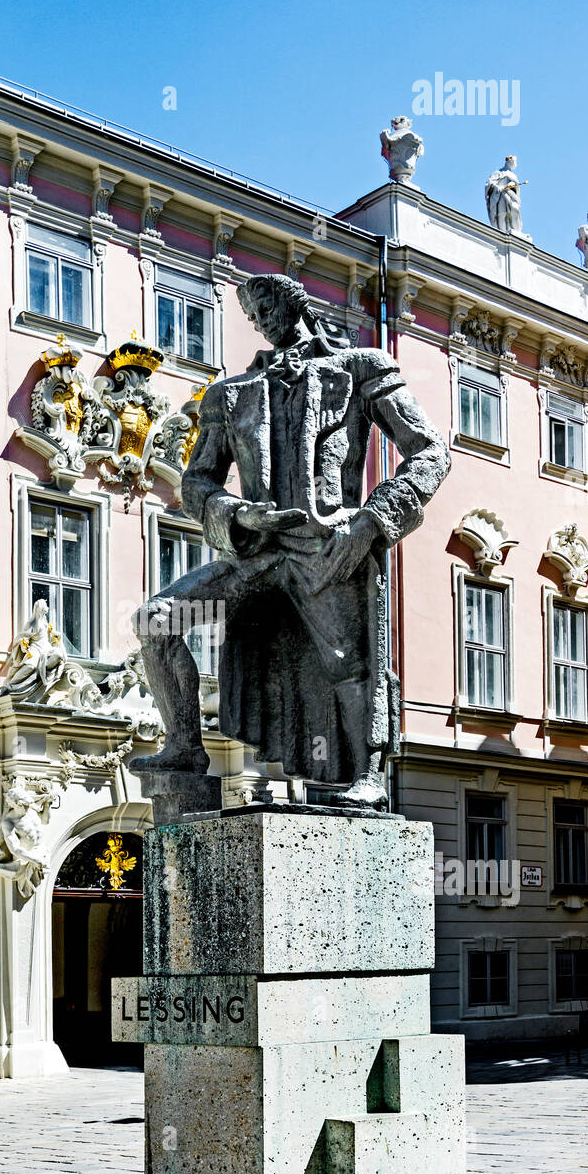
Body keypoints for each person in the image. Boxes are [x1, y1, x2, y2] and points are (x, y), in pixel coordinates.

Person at [130, 273, 450, 809]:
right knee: (156, 620)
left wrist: (370, 520)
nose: (257, 321)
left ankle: (368, 774)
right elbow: (196, 483)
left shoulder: (361, 368)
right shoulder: (228, 395)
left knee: (349, 662)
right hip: (257, 549)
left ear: (292, 302)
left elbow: (430, 452)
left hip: (328, 544)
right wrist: (236, 514)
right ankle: (186, 746)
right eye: (250, 315)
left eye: (262, 307)